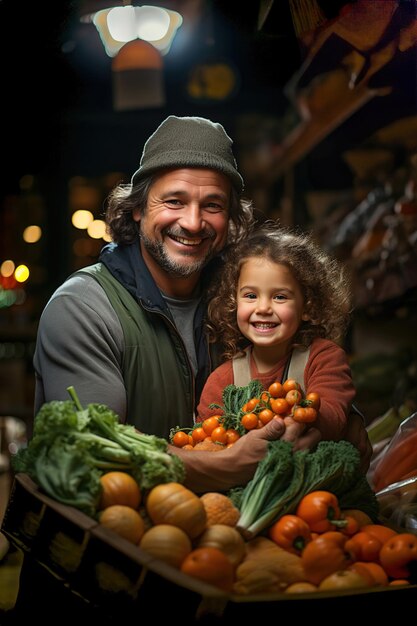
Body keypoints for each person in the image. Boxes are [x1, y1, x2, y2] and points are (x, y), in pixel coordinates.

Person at [32, 115, 321, 494]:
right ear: (137, 208)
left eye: (213, 205)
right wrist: (226, 465)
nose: (193, 222)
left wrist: (331, 421)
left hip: (221, 539)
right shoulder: (83, 308)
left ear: (230, 218)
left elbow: (310, 366)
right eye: (174, 200)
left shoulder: (245, 301)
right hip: (118, 542)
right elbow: (95, 453)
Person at [197, 222, 372, 468]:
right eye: (250, 295)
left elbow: (333, 414)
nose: (264, 308)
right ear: (232, 302)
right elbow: (206, 441)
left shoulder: (324, 358)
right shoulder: (222, 380)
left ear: (307, 307)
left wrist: (302, 424)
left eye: (280, 296)